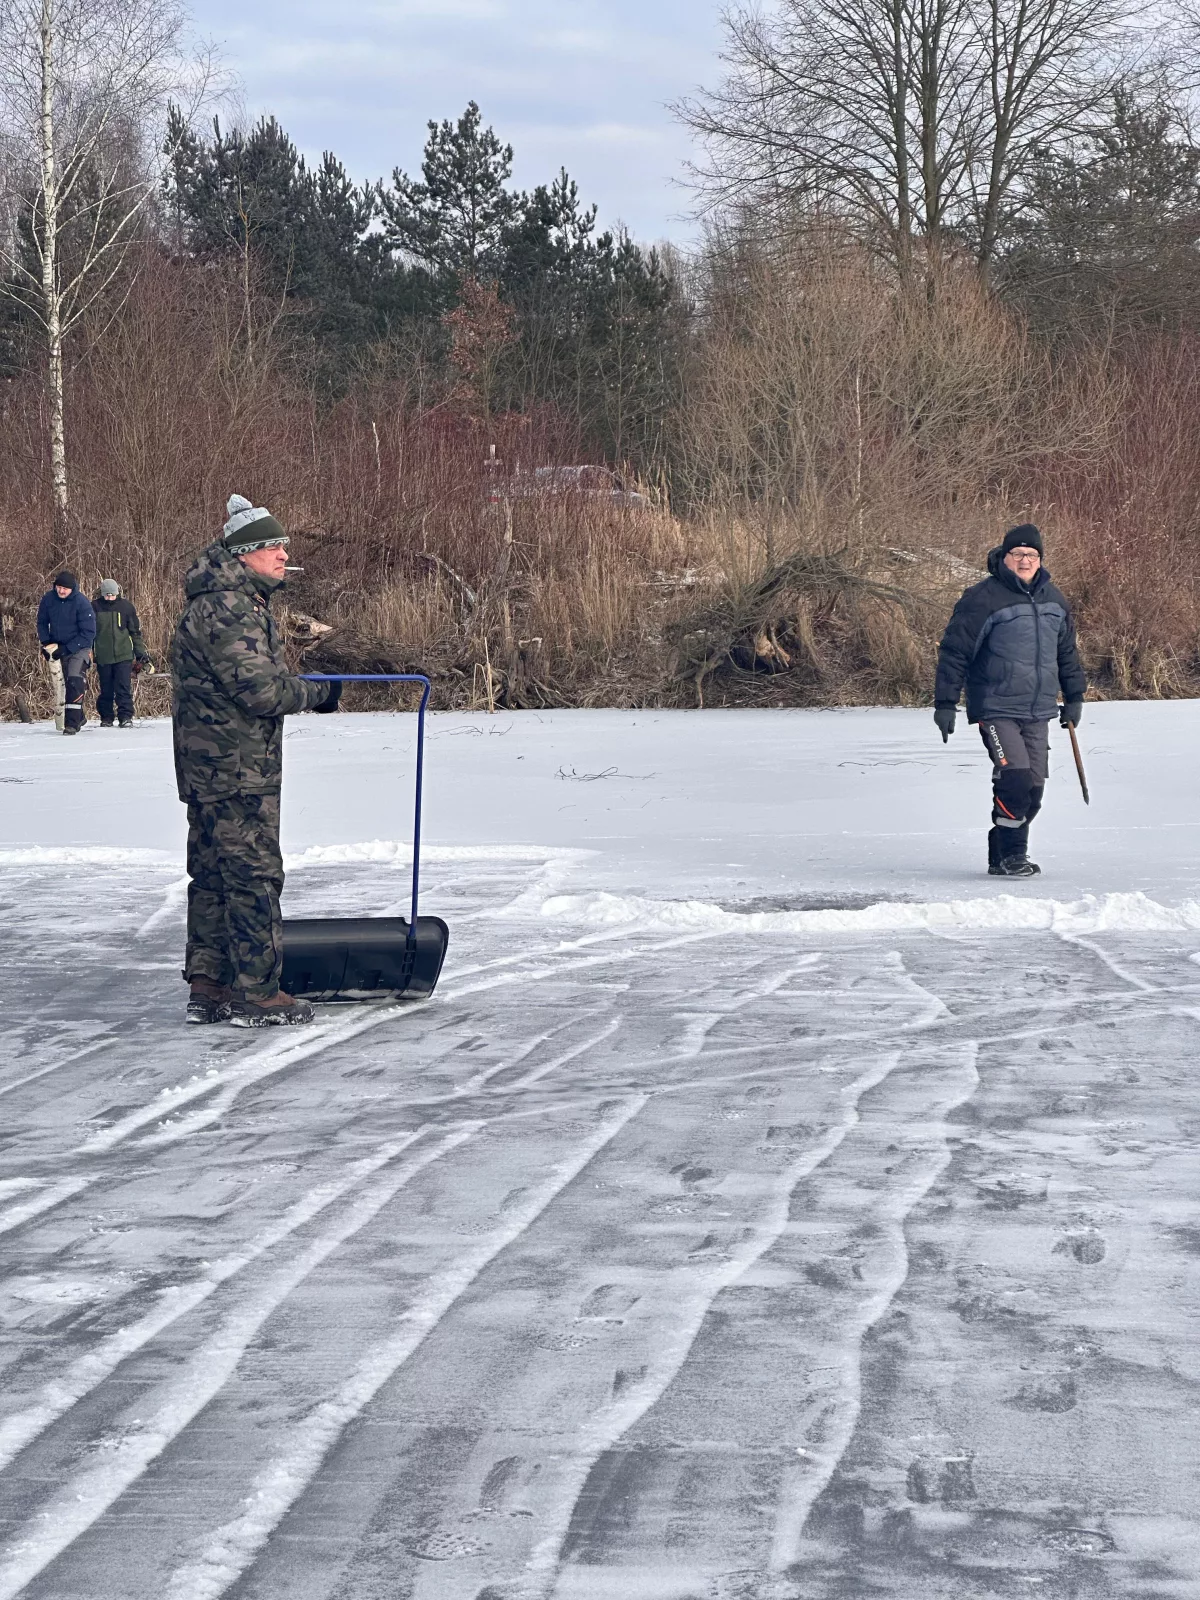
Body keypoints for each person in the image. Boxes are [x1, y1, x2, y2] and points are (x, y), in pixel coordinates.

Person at [171, 494, 342, 1027]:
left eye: (283, 545)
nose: (282, 554)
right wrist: (316, 692)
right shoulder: (228, 606)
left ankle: (210, 984)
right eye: (272, 546)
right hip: (236, 768)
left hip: (214, 768)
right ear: (244, 552)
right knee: (252, 876)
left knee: (215, 876)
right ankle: (258, 992)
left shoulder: (225, 600)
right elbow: (261, 691)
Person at [934, 523, 1086, 877]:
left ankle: (1000, 853)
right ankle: (1013, 855)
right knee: (1014, 778)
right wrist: (945, 703)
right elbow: (955, 652)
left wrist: (1075, 696)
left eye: (1031, 555)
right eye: (1017, 554)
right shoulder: (982, 598)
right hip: (996, 705)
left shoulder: (1054, 599)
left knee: (1033, 790)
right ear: (1004, 558)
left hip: (1039, 709)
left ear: (1040, 560)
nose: (1024, 560)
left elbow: (1066, 652)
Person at [36, 571, 96, 735]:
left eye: (65, 589)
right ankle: (79, 716)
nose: (61, 591)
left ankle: (72, 724)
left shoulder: (81, 603)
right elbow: (41, 622)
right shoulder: (48, 599)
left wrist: (67, 649)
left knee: (74, 680)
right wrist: (46, 644)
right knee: (61, 684)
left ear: (72, 589)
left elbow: (89, 633)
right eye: (59, 587)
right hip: (57, 645)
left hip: (80, 647)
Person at [92, 578, 154, 727]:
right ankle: (106, 718)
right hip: (103, 655)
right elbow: (90, 633)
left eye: (112, 595)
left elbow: (135, 632)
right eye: (107, 595)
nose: (110, 598)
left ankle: (125, 716)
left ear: (117, 593)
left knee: (123, 687)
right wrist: (89, 652)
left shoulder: (126, 607)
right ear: (102, 594)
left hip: (124, 654)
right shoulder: (94, 607)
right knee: (106, 688)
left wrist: (140, 654)